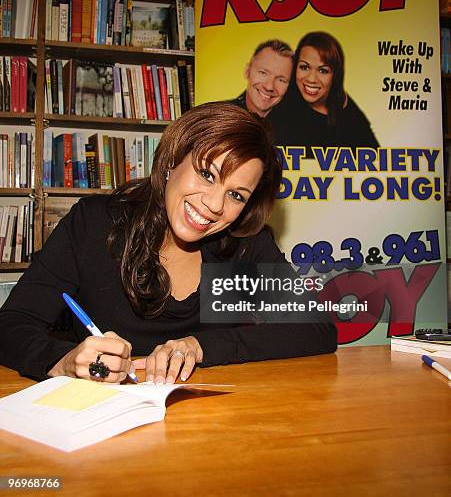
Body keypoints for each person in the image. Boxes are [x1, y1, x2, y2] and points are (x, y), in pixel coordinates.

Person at [0, 104, 337, 384]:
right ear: (173, 160)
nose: (216, 205)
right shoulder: (95, 224)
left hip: (207, 426)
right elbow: (11, 323)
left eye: (236, 195)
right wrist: (63, 361)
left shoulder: (241, 246)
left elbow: (316, 329)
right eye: (207, 174)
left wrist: (201, 346)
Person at [268, 32, 379, 155]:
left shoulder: (347, 110)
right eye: (304, 67)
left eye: (323, 70)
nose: (311, 79)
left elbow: (377, 161)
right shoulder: (278, 110)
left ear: (335, 75)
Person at [230, 39, 293, 118]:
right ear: (247, 71)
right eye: (263, 73)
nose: (269, 87)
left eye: (281, 80)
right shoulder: (218, 115)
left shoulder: (297, 125)